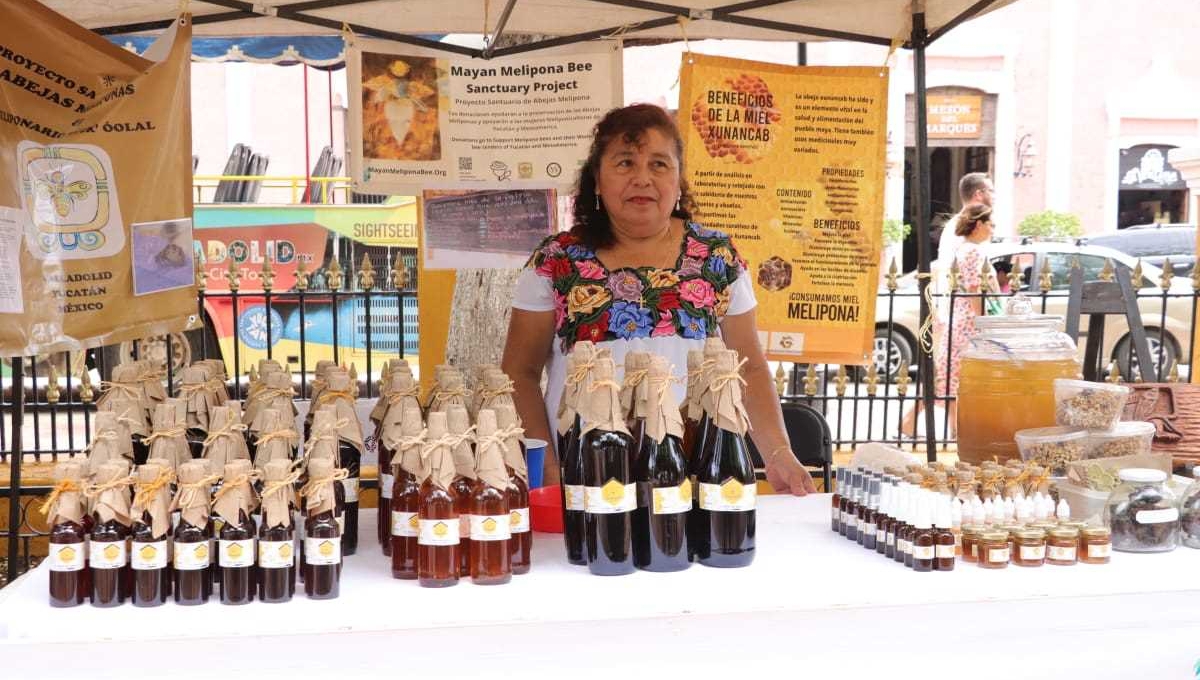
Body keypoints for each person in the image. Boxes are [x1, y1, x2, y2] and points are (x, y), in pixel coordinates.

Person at [501, 104, 816, 496]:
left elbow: (748, 369)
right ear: (596, 180)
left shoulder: (716, 256)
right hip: (585, 476)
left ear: (679, 179)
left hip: (694, 473)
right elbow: (520, 373)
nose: (642, 179)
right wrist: (547, 471)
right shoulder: (556, 260)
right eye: (625, 163)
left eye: (659, 164)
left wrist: (779, 453)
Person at [900, 203, 998, 438]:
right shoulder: (972, 252)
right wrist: (982, 322)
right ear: (978, 225)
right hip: (968, 323)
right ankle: (919, 424)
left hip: (962, 320)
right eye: (990, 224)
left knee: (952, 378)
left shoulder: (966, 250)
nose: (993, 229)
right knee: (952, 378)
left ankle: (952, 429)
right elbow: (975, 289)